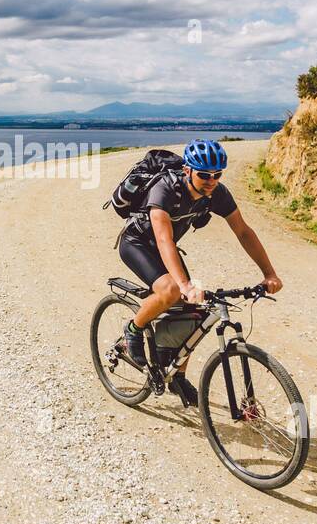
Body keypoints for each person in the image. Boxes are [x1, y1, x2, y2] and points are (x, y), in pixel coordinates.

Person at [118, 139, 283, 406]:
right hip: (137, 244)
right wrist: (184, 285)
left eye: (217, 175)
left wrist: (269, 273)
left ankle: (178, 376)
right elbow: (163, 240)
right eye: (204, 175)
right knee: (171, 290)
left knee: (195, 312)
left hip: (166, 249)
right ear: (188, 170)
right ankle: (134, 329)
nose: (211, 180)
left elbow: (242, 230)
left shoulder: (217, 193)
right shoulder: (165, 189)